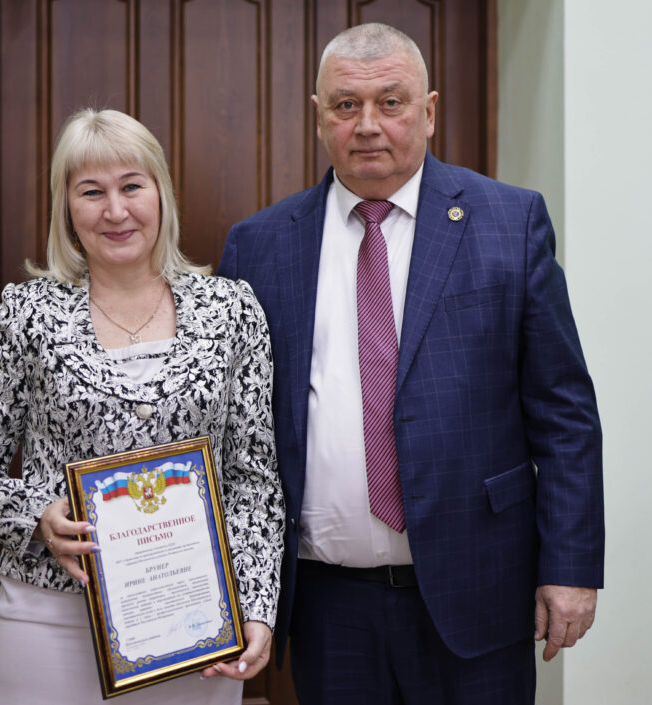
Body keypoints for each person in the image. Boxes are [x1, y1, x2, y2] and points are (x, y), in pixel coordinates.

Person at [219, 23, 603, 705]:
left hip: (478, 591)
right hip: (327, 604)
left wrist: (570, 567)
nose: (368, 125)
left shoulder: (508, 222)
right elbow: (236, 431)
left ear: (427, 112)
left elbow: (564, 415)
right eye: (346, 105)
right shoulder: (259, 246)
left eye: (390, 103)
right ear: (319, 117)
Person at [0, 108, 283, 705]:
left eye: (131, 186)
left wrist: (255, 604)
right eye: (92, 192)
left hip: (194, 622)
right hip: (49, 621)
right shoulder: (26, 315)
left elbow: (253, 477)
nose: (115, 211)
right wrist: (36, 514)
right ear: (67, 208)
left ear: (161, 193)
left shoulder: (232, 310)